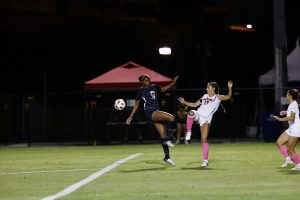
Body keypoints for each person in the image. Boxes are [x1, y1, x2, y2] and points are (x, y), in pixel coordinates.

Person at [126, 74, 179, 166]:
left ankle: (167, 157)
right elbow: (137, 105)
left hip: (156, 112)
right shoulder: (140, 91)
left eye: (148, 79)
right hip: (150, 112)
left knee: (163, 135)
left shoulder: (154, 86)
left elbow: (163, 89)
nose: (147, 81)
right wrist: (131, 116)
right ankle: (168, 140)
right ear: (141, 82)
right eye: (145, 80)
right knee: (171, 118)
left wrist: (173, 83)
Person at [178, 81, 233, 167]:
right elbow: (194, 104)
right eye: (207, 87)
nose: (206, 88)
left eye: (208, 87)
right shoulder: (204, 96)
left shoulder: (218, 97)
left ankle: (205, 161)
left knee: (204, 140)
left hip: (206, 120)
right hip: (198, 115)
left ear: (213, 88)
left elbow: (229, 97)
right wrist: (184, 102)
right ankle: (188, 132)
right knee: (191, 113)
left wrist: (229, 87)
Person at [273, 89, 300, 171]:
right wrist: (285, 112)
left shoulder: (293, 104)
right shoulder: (292, 104)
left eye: (287, 94)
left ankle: (299, 164)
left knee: (290, 149)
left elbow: (292, 117)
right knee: (279, 142)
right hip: (292, 127)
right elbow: (293, 114)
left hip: (296, 128)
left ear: (290, 96)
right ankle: (288, 159)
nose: (286, 96)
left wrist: (280, 119)